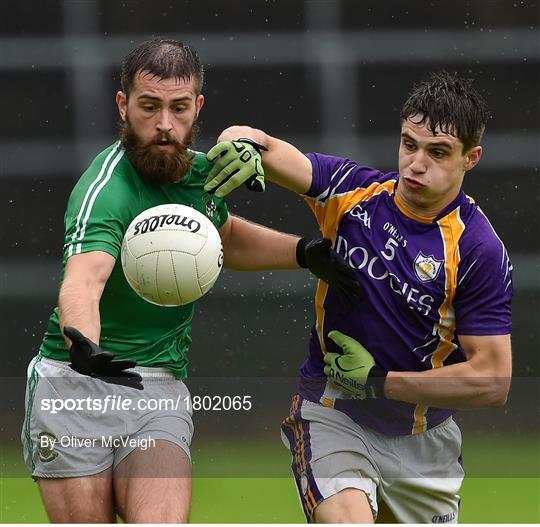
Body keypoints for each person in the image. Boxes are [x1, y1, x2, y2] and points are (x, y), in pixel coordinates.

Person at [21, 38, 362, 523]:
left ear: (197, 107)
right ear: (123, 105)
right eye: (149, 106)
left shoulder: (202, 178)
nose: (164, 124)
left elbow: (225, 239)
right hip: (75, 384)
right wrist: (84, 343)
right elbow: (85, 278)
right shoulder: (106, 190)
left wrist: (304, 252)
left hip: (156, 385)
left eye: (179, 108)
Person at [204, 71, 513, 523]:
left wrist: (379, 381)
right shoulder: (354, 194)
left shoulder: (478, 250)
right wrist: (242, 144)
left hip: (425, 444)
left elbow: (493, 380)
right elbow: (260, 141)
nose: (416, 164)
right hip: (332, 412)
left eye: (438, 152)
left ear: (472, 158)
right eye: (409, 144)